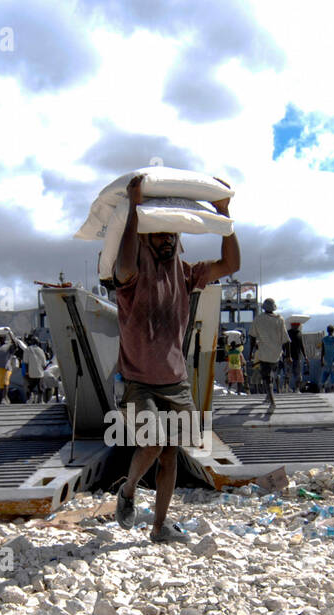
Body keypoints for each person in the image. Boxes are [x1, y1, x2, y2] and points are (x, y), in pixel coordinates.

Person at [113, 173, 239, 543]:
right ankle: (129, 489)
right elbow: (123, 263)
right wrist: (135, 208)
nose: (166, 238)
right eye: (158, 232)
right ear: (146, 236)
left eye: (171, 233)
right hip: (139, 380)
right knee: (152, 441)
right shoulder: (132, 276)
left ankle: (159, 527)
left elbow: (230, 265)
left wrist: (224, 217)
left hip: (176, 382)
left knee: (171, 454)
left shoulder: (186, 274)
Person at [250, 297, 286, 412]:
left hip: (264, 353)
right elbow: (286, 339)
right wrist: (288, 355)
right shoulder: (280, 319)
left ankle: (272, 403)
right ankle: (267, 397)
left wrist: (251, 352)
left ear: (263, 308)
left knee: (267, 379)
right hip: (276, 354)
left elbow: (252, 337)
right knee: (270, 376)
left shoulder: (258, 319)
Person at [0, 329, 24, 404]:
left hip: (6, 368)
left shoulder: (8, 345)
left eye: (3, 337)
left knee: (6, 382)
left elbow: (15, 345)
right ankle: (1, 399)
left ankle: (4, 398)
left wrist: (10, 334)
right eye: (0, 337)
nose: (1, 339)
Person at [319, 325, 334, 392]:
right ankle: (332, 387)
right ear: (333, 331)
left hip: (326, 359)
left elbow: (322, 350)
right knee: (333, 374)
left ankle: (322, 386)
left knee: (325, 374)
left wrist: (321, 360)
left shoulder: (324, 339)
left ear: (327, 330)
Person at [287, 320, 306, 392]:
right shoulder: (288, 333)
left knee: (298, 374)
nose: (296, 326)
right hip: (289, 357)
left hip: (297, 357)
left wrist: (305, 356)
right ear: (292, 325)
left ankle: (297, 388)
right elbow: (284, 345)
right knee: (288, 374)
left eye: (297, 325)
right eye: (295, 325)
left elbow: (302, 345)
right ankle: (287, 388)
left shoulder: (299, 333)